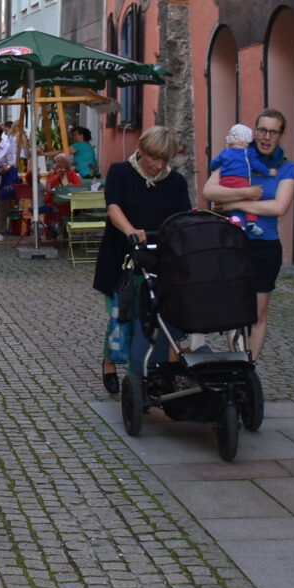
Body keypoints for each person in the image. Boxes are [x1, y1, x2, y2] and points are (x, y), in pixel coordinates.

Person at [94, 126, 192, 396]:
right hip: (120, 258)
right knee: (122, 316)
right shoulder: (120, 173)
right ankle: (110, 361)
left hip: (158, 259)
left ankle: (144, 372)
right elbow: (113, 207)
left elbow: (182, 218)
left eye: (164, 160)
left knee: (154, 316)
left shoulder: (176, 182)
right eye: (153, 158)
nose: (158, 165)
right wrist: (130, 232)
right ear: (141, 150)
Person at [202, 108, 294, 359]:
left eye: (273, 132)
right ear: (255, 132)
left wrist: (235, 204)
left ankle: (250, 368)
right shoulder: (237, 156)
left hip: (266, 247)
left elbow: (278, 207)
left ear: (281, 135)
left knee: (258, 313)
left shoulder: (287, 168)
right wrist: (248, 194)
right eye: (262, 130)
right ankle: (236, 362)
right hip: (233, 242)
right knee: (235, 311)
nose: (266, 137)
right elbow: (210, 192)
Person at [207, 123, 256, 230]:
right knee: (249, 200)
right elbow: (207, 193)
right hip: (243, 188)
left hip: (226, 191)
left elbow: (213, 165)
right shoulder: (248, 156)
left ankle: (219, 215)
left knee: (220, 206)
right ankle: (250, 222)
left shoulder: (225, 154)